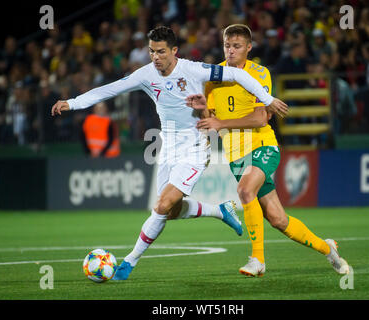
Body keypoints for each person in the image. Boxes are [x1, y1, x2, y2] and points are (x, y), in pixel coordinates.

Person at [51, 26, 288, 280]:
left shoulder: (194, 70)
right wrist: (72, 103)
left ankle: (129, 262)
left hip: (195, 147)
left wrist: (267, 98)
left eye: (161, 51)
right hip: (168, 148)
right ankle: (219, 211)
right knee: (171, 211)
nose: (156, 57)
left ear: (174, 51)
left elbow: (237, 74)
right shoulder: (146, 74)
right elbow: (109, 89)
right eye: (152, 51)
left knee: (162, 205)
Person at [186, 24, 349, 276]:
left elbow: (260, 118)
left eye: (237, 46)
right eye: (227, 45)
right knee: (277, 219)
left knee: (244, 190)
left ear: (248, 48)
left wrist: (220, 123)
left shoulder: (259, 73)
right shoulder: (213, 77)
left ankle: (257, 260)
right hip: (235, 155)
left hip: (263, 145)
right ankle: (327, 249)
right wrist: (203, 110)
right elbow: (212, 120)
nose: (231, 51)